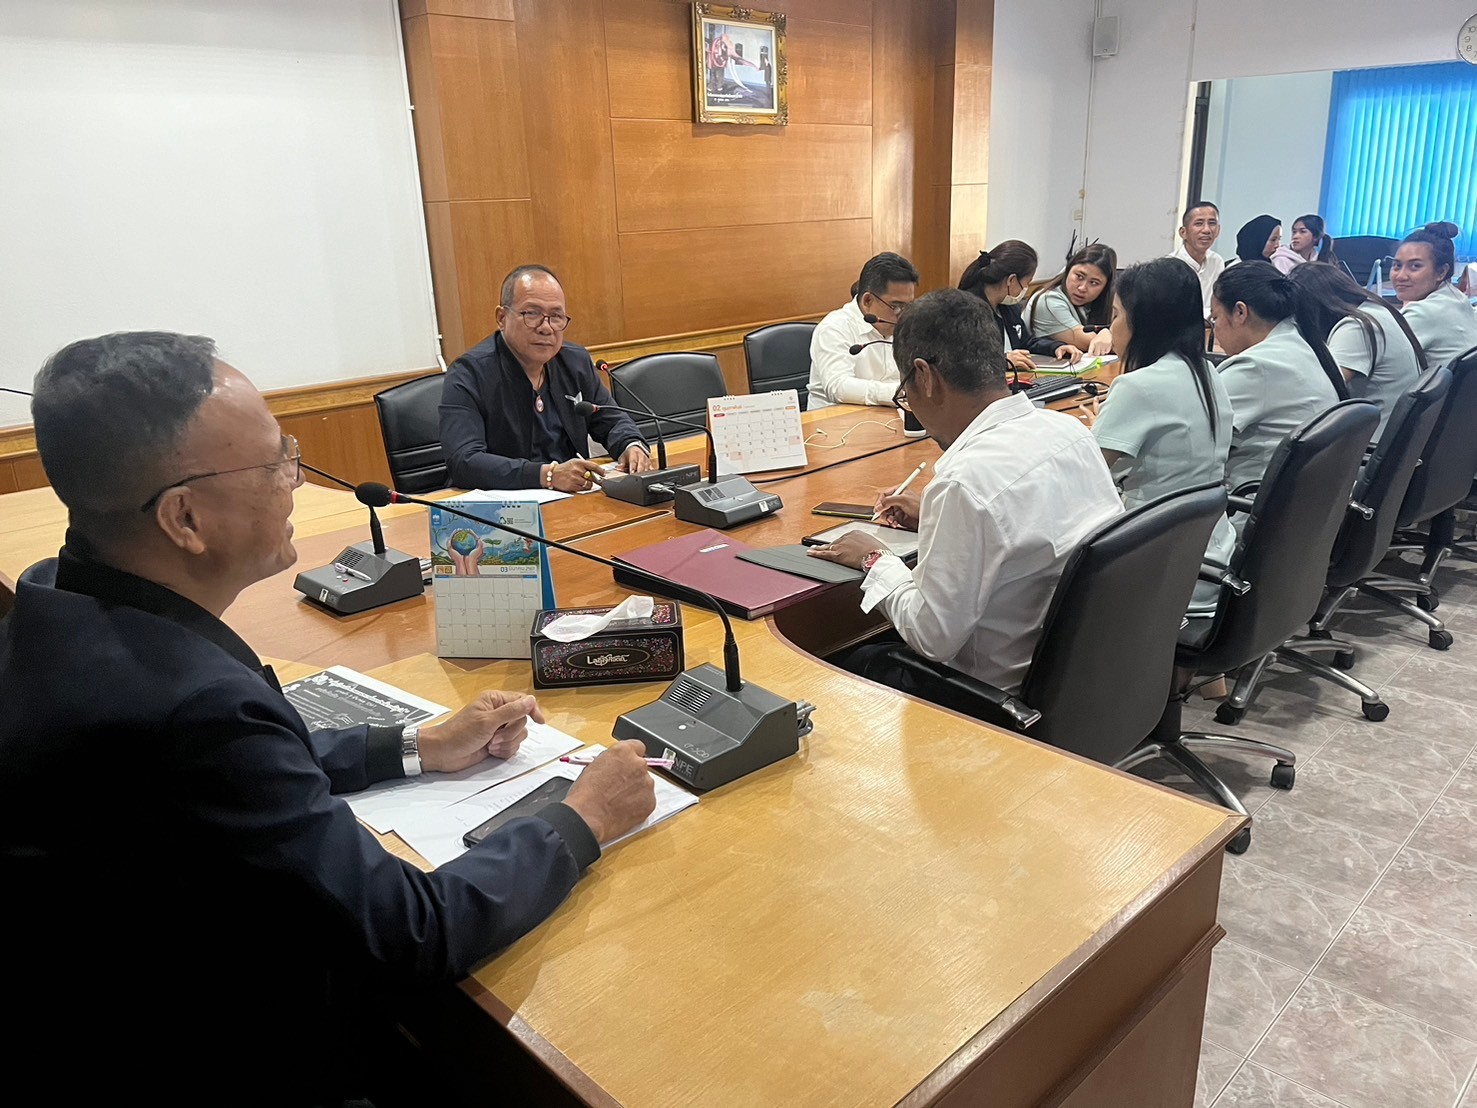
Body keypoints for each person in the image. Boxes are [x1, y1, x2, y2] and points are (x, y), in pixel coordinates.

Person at [0, 332, 658, 1102]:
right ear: (185, 518)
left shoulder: (63, 596)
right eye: (277, 461)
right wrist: (584, 817)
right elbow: (412, 931)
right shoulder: (194, 709)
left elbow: (236, 775)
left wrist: (418, 744)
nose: (296, 479)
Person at [809, 289, 1121, 697]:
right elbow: (1026, 530)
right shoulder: (1070, 433)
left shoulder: (963, 482)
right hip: (1081, 680)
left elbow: (932, 637)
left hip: (989, 697)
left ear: (924, 377)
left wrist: (874, 559)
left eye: (905, 392)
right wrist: (936, 519)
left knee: (836, 664)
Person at [1091, 258, 1236, 612]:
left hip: (1158, 570)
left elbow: (1085, 475)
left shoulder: (1137, 387)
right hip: (1212, 559)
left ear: (1143, 322)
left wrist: (1093, 429)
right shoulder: (1207, 372)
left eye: (1116, 315)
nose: (1112, 327)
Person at [440, 264, 652, 492]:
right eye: (532, 314)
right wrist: (547, 475)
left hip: (571, 498)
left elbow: (612, 420)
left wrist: (631, 445)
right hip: (504, 503)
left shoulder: (575, 362)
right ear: (501, 318)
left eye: (556, 316)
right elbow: (464, 461)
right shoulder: (469, 374)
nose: (546, 328)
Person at [1210, 262, 1344, 496]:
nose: (1215, 330)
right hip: (1304, 505)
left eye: (1215, 318)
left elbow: (1190, 438)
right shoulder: (1302, 343)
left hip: (1249, 504)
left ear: (1240, 312)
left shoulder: (1256, 367)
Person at [1290, 262, 1425, 439]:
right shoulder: (1375, 309)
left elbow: (1322, 392)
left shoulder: (1356, 327)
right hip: (1395, 436)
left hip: (1373, 443)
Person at [808, 251, 919, 408]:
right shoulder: (834, 327)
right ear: (867, 301)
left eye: (909, 306)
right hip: (838, 419)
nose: (903, 315)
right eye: (896, 306)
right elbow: (838, 387)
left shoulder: (904, 327)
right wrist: (898, 393)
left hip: (889, 414)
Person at [957, 241, 1084, 378]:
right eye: (1027, 283)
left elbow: (1026, 342)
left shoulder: (1008, 307)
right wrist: (1004, 361)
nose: (1026, 288)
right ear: (1011, 280)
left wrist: (1056, 347)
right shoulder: (964, 310)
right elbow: (962, 361)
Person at [1392, 222, 1477, 369]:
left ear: (1441, 272)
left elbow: (1379, 357)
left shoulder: (1422, 313)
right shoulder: (1456, 298)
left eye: (1415, 266)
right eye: (1397, 265)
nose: (1401, 276)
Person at [1024, 241, 1118, 355]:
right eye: (1079, 276)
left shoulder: (1090, 303)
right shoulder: (1048, 301)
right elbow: (1091, 343)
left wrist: (1107, 332)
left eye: (1094, 283)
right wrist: (1107, 333)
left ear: (1105, 287)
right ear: (1068, 270)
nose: (1082, 288)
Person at [1170, 200, 1226, 317]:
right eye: (1199, 223)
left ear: (1218, 230)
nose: (1206, 230)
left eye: (1212, 223)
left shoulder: (1217, 261)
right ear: (1183, 232)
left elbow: (1219, 305)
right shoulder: (1169, 266)